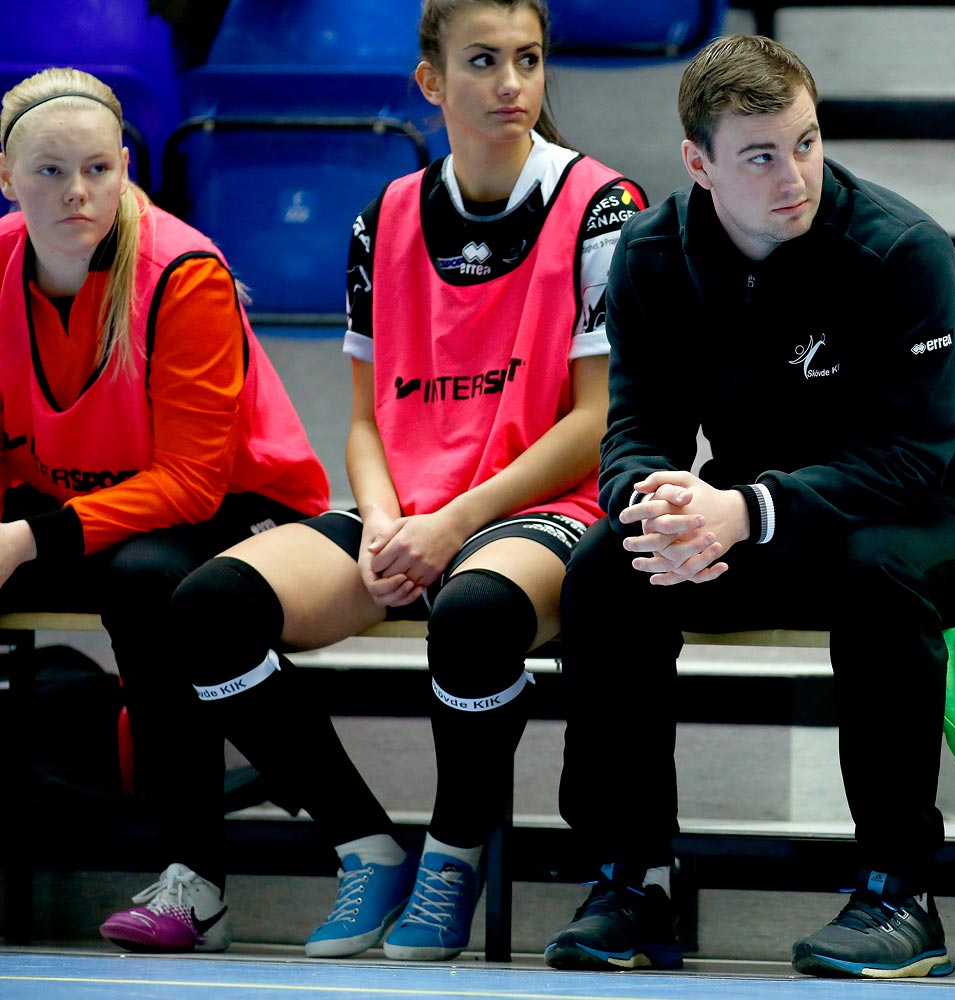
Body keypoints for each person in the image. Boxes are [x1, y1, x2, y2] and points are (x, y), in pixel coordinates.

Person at [543, 34, 955, 980]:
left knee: (875, 571)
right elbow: (635, 424)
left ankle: (900, 892)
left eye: (806, 143)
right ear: (699, 163)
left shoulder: (902, 253)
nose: (794, 175)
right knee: (609, 570)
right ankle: (633, 877)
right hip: (776, 514)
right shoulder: (653, 255)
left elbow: (912, 459)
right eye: (761, 155)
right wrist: (653, 505)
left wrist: (743, 509)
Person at [168, 0, 646, 961]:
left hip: (544, 503)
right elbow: (362, 419)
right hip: (410, 499)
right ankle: (364, 846)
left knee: (470, 616)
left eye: (529, 59)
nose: (512, 84)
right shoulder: (381, 215)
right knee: (208, 606)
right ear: (431, 80)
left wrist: (449, 524)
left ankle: (450, 857)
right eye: (484, 61)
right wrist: (386, 519)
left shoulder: (604, 205)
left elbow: (598, 420)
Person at [0, 67, 329, 952]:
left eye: (99, 169)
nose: (77, 193)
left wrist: (24, 538)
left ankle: (196, 887)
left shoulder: (181, 270)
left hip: (213, 507)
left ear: (125, 167)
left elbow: (189, 482)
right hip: (62, 502)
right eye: (49, 171)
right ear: (6, 177)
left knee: (152, 585)